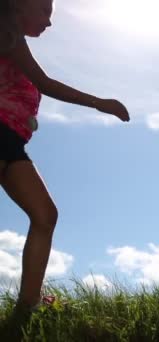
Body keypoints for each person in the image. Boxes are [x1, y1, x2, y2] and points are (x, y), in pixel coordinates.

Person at [0, 0, 130, 312]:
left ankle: (26, 308)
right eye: (44, 10)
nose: (49, 22)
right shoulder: (8, 36)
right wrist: (99, 102)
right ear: (19, 5)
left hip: (10, 142)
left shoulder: (12, 40)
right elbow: (45, 83)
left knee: (45, 215)